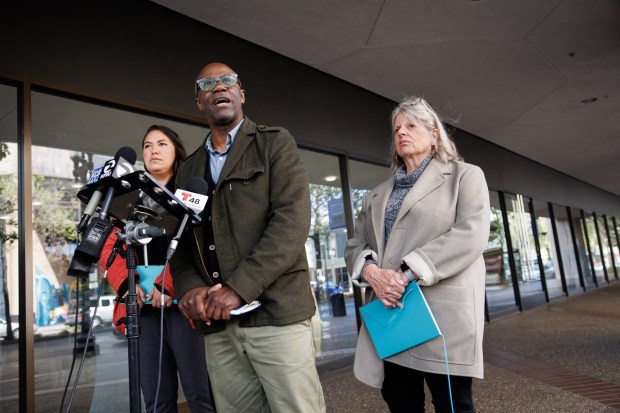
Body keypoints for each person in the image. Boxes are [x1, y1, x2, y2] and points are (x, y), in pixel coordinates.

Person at [170, 62, 325, 413]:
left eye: (227, 81)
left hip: (276, 316)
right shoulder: (189, 169)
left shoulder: (274, 143)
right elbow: (181, 246)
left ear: (241, 93)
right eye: (207, 84)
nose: (218, 87)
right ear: (199, 101)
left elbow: (291, 223)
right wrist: (191, 288)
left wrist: (238, 288)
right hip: (219, 328)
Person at [344, 97, 490, 413]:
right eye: (397, 128)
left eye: (411, 125)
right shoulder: (376, 194)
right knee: (401, 403)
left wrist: (406, 273)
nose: (402, 133)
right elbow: (355, 244)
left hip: (442, 316)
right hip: (393, 314)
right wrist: (372, 273)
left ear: (434, 133)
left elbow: (471, 233)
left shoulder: (465, 176)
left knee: (453, 405)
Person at [101, 125, 216, 413]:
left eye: (162, 144)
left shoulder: (192, 194)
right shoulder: (126, 197)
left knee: (200, 395)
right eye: (148, 145)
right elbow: (108, 247)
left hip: (184, 304)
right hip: (142, 308)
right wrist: (128, 285)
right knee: (156, 401)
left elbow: (195, 247)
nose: (154, 150)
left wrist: (167, 285)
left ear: (176, 151)